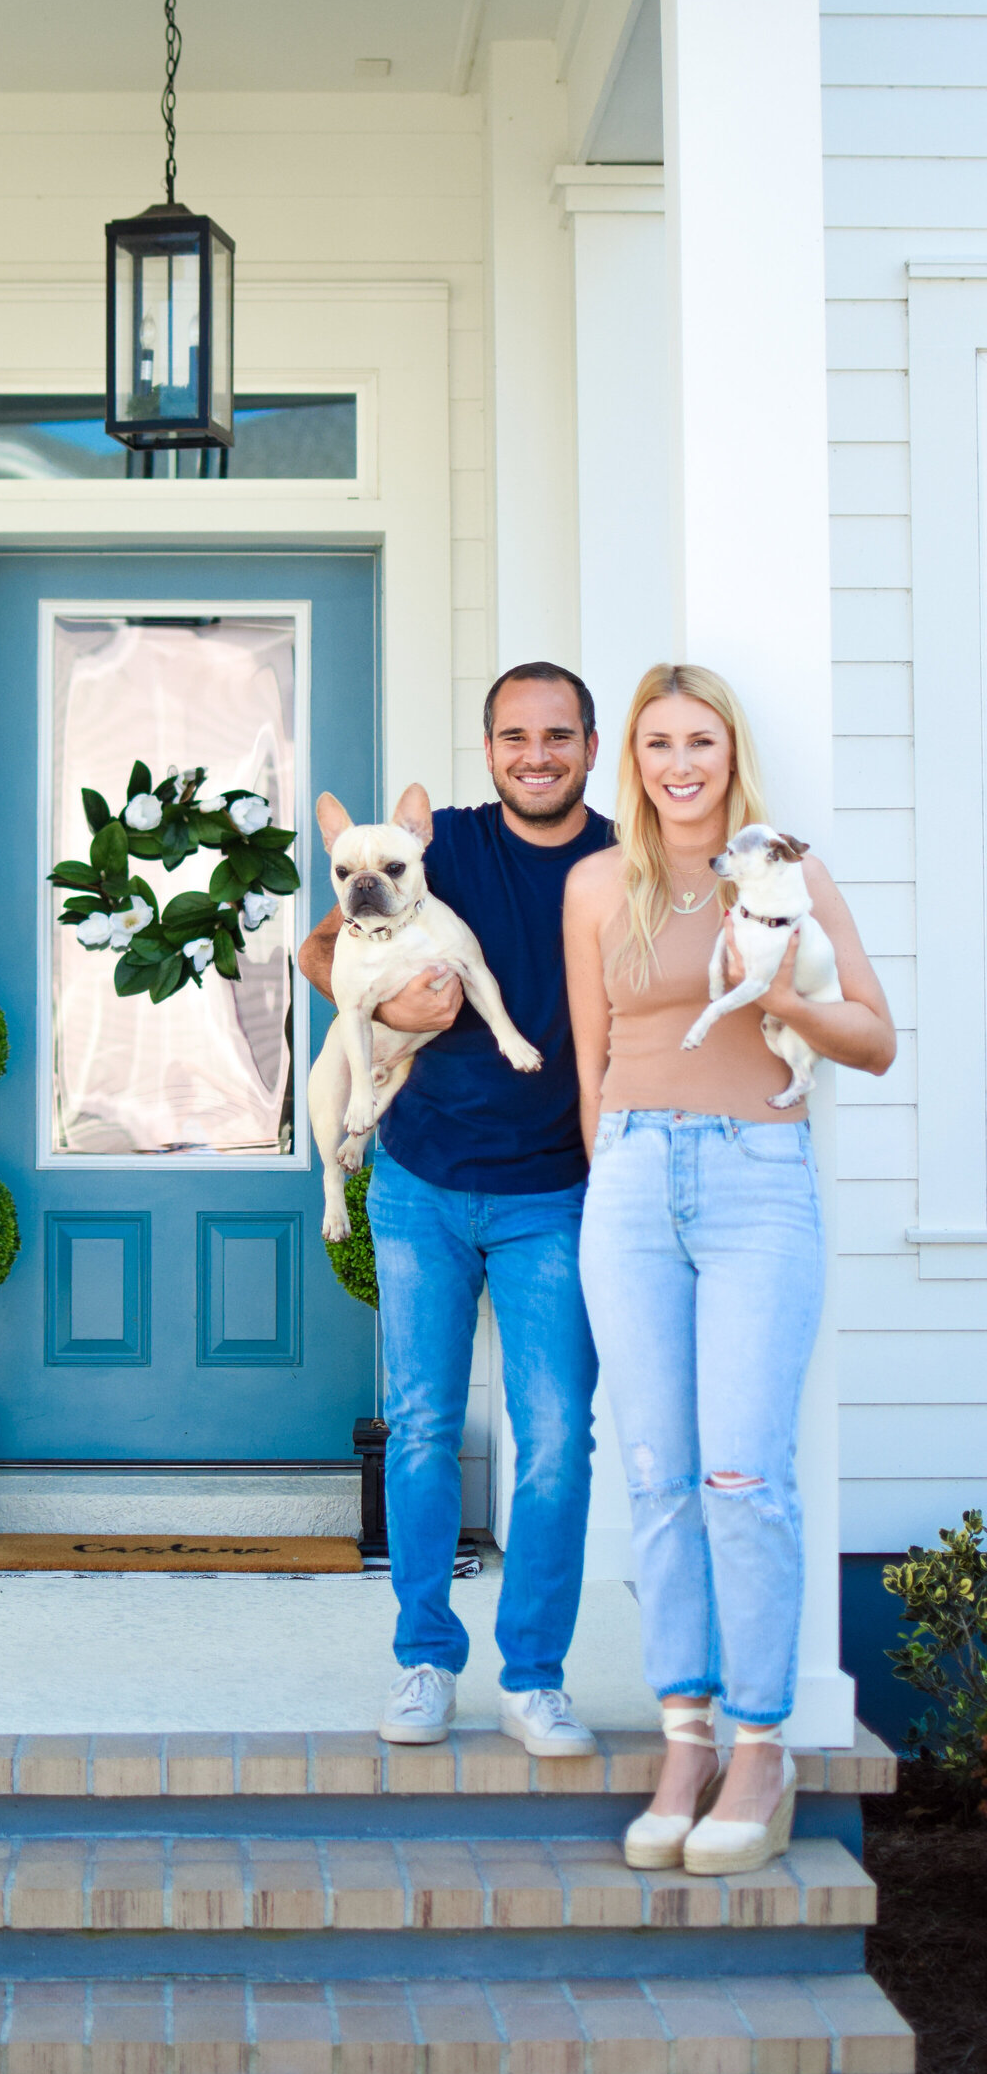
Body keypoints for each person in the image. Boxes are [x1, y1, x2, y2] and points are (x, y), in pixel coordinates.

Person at [563, 664, 894, 1873]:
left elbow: (874, 1036)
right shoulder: (598, 884)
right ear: (633, 761)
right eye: (657, 742)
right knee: (656, 1477)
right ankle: (686, 1736)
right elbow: (592, 1064)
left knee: (740, 1475)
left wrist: (780, 1002)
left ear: (729, 751)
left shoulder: (787, 878)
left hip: (759, 1177)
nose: (679, 762)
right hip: (634, 1184)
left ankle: (762, 1744)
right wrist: (611, 1174)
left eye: (699, 739)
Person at [299, 662, 614, 1751]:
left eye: (557, 735)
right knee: (423, 1428)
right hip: (421, 1180)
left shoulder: (621, 861)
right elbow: (319, 949)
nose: (536, 754)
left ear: (588, 742)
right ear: (488, 749)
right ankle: (425, 1661)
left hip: (554, 1191)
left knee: (557, 1439)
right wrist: (387, 995)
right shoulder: (441, 847)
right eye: (515, 736)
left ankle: (534, 1675)